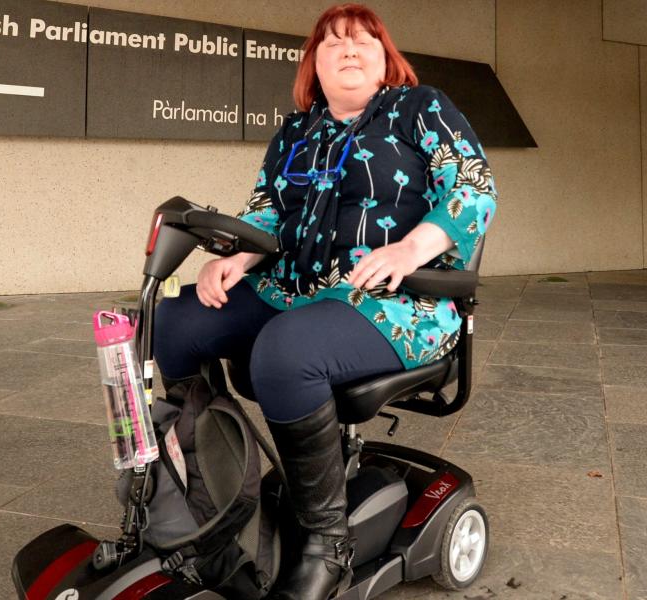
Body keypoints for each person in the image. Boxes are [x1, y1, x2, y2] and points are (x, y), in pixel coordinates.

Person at [155, 4, 497, 599]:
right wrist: (237, 256)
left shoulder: (420, 109)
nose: (349, 49)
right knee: (174, 323)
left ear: (385, 59)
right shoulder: (296, 129)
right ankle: (211, 496)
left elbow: (474, 187)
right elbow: (266, 210)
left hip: (394, 298)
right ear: (314, 63)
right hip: (292, 286)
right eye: (333, 42)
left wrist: (409, 250)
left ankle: (326, 542)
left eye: (365, 41)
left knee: (286, 351)